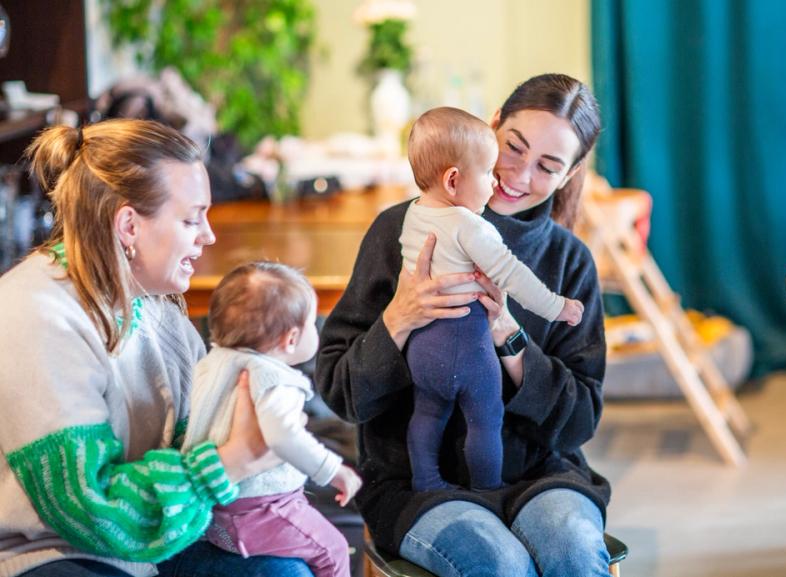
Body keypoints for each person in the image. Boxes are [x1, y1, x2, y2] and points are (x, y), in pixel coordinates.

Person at [316, 73, 611, 577]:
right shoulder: (400, 230)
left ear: (570, 174)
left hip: (541, 476)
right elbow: (341, 393)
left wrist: (509, 335)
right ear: (490, 127)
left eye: (547, 166)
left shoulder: (569, 262)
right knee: (499, 565)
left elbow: (580, 419)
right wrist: (399, 318)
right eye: (513, 148)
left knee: (576, 552)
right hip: (416, 484)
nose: (516, 175)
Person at [0, 119, 312, 577]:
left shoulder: (156, 308)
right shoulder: (36, 314)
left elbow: (198, 436)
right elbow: (91, 511)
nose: (208, 235)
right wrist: (232, 459)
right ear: (129, 225)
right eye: (191, 218)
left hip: (146, 544)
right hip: (55, 555)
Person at [398, 106, 584, 492]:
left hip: (422, 350)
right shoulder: (470, 226)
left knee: (427, 412)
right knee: (486, 416)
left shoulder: (414, 214)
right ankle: (488, 489)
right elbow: (513, 276)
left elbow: (581, 417)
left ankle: (426, 481)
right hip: (465, 343)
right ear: (453, 180)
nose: (498, 180)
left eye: (547, 166)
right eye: (488, 171)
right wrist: (557, 306)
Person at [183, 262, 363, 577]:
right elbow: (282, 436)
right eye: (312, 322)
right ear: (291, 339)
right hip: (262, 508)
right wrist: (333, 470)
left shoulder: (211, 364)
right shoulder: (274, 379)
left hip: (214, 508)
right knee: (333, 549)